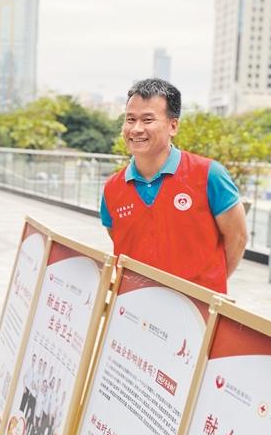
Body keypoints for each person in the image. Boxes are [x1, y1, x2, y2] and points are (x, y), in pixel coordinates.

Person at [100, 79, 247, 293]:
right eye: (130, 119)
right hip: (134, 305)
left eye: (147, 120)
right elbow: (121, 239)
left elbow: (238, 238)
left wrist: (209, 285)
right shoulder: (112, 187)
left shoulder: (209, 175)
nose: (136, 129)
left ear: (173, 126)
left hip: (196, 307)